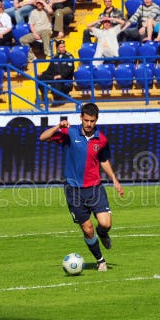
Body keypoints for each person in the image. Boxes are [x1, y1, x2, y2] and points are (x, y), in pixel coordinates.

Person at [39, 102, 124, 272]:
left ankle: (103, 233)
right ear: (81, 118)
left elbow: (103, 160)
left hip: (95, 188)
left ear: (96, 120)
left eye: (92, 121)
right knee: (87, 228)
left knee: (105, 224)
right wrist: (57, 126)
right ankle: (100, 260)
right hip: (74, 191)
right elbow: (43, 137)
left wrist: (114, 178)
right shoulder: (69, 132)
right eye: (86, 120)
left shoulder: (102, 139)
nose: (89, 124)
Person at [38, 40, 75, 105]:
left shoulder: (69, 56)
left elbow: (69, 69)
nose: (63, 48)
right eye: (61, 47)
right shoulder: (55, 57)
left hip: (64, 78)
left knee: (57, 81)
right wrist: (42, 73)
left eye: (64, 46)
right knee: (40, 78)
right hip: (55, 77)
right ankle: (44, 97)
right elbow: (49, 70)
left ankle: (57, 99)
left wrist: (61, 75)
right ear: (57, 48)